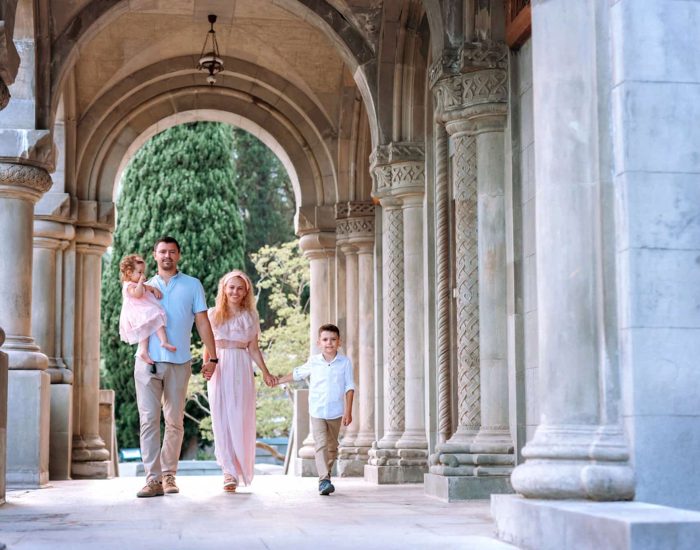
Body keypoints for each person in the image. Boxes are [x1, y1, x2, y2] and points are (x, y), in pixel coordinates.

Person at [134, 236, 219, 498]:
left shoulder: (193, 285)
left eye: (171, 252)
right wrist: (143, 349)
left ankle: (169, 474)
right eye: (162, 252)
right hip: (147, 363)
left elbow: (203, 323)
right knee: (149, 420)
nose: (167, 256)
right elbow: (135, 320)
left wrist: (212, 357)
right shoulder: (144, 287)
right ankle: (153, 479)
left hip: (180, 362)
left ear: (178, 255)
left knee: (174, 421)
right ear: (155, 255)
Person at [204, 270, 276, 492]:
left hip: (242, 367)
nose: (235, 291)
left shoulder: (250, 316)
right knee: (220, 417)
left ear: (246, 292)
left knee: (239, 416)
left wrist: (265, 372)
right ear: (224, 289)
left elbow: (253, 348)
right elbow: (209, 345)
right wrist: (207, 365)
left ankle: (237, 466)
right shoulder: (212, 314)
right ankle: (228, 472)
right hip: (220, 366)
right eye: (231, 287)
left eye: (240, 288)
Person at [275, 323, 354, 496]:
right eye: (325, 339)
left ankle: (326, 476)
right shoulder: (314, 362)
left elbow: (349, 387)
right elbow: (297, 374)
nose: (329, 343)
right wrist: (278, 380)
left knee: (332, 447)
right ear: (319, 342)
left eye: (333, 339)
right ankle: (323, 480)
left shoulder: (345, 363)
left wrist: (348, 411)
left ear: (339, 342)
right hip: (317, 410)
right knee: (321, 444)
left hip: (336, 411)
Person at [118, 254, 176, 368]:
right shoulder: (129, 285)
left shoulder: (136, 283)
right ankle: (150, 347)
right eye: (140, 272)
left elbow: (147, 288)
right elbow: (138, 294)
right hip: (136, 312)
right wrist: (141, 283)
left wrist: (154, 289)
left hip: (143, 311)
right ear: (129, 273)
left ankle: (156, 345)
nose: (142, 275)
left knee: (148, 327)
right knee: (154, 316)